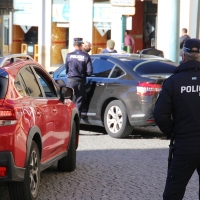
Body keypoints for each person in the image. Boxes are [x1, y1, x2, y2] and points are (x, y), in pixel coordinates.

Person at [153, 38, 200, 200]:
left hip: (185, 144)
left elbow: (160, 114)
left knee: (173, 192)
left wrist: (172, 132)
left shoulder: (173, 82)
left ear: (183, 56)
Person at [65, 37, 93, 118]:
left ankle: (68, 119)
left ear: (74, 45)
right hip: (80, 81)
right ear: (81, 45)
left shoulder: (69, 55)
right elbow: (89, 72)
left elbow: (66, 69)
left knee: (68, 101)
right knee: (79, 102)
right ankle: (76, 121)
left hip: (70, 81)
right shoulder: (86, 56)